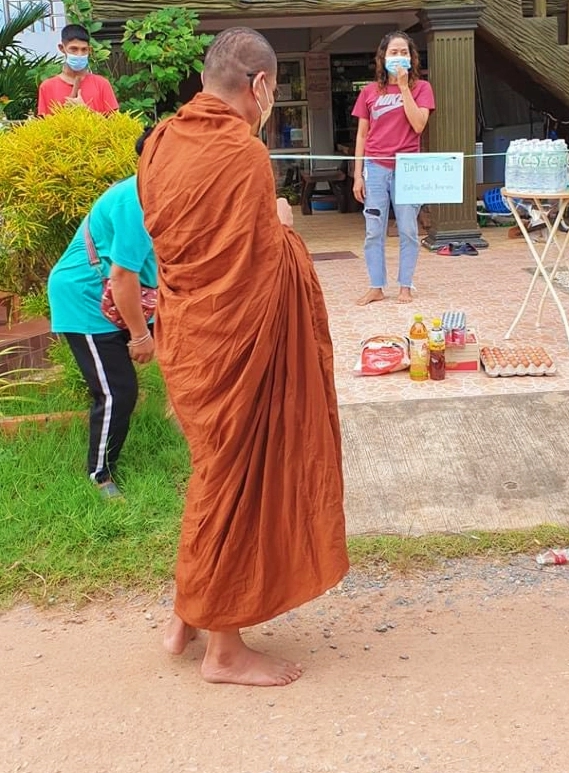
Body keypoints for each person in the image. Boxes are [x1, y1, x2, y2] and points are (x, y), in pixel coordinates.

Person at [138, 27, 349, 687]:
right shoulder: (242, 155)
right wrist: (284, 228)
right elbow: (259, 269)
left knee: (211, 477)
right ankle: (224, 651)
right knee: (231, 488)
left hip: (190, 341)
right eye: (273, 90)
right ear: (259, 87)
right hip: (234, 349)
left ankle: (187, 614)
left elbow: (182, 248)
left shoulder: (161, 142)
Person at [47, 172, 156, 499]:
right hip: (87, 299)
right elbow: (122, 277)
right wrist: (139, 337)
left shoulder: (171, 193)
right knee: (117, 391)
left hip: (127, 296)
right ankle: (99, 474)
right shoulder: (134, 201)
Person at [352, 31, 435, 305]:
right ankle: (376, 285)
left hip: (408, 168)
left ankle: (405, 286)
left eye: (404, 52)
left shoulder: (421, 88)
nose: (398, 57)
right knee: (373, 229)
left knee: (408, 229)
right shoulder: (368, 92)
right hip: (375, 167)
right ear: (382, 57)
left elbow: (419, 124)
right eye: (393, 52)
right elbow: (362, 135)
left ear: (412, 57)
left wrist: (402, 87)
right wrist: (357, 175)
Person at [37, 24, 119, 117]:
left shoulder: (102, 84)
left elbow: (116, 125)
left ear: (90, 50)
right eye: (74, 49)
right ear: (62, 48)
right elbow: (44, 127)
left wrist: (85, 110)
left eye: (84, 49)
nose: (79, 54)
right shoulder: (47, 87)